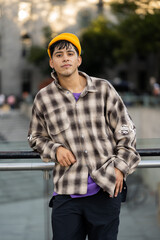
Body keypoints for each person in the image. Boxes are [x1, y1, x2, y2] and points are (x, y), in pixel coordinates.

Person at [28, 33, 141, 240]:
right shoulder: (44, 98)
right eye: (59, 55)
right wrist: (56, 149)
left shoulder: (103, 89)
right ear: (51, 62)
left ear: (79, 59)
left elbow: (126, 131)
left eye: (70, 53)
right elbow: (35, 137)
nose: (65, 58)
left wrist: (120, 169)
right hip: (67, 193)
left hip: (105, 190)